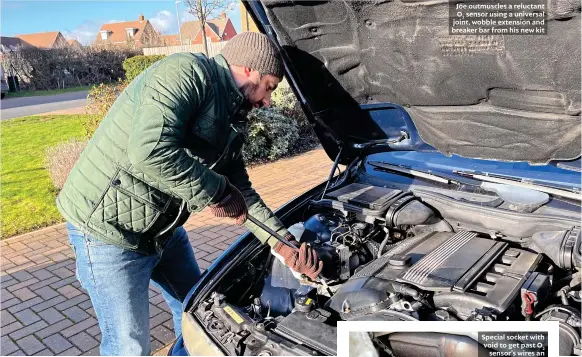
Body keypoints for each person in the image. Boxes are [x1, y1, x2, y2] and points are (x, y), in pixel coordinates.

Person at [56, 32, 323, 356]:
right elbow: (149, 150)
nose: (268, 101)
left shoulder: (232, 118)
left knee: (195, 310)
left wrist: (283, 245)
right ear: (250, 69)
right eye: (269, 87)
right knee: (128, 344)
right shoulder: (186, 73)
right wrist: (217, 191)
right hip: (107, 230)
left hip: (161, 229)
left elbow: (243, 194)